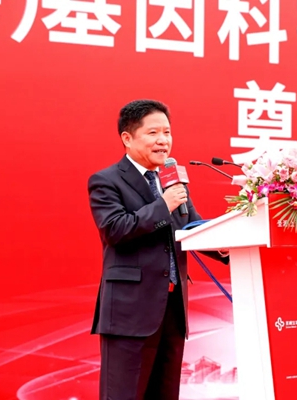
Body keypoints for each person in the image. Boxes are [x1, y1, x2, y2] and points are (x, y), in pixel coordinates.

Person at [87, 99, 228, 400]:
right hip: (130, 313)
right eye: (153, 133)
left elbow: (192, 227)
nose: (163, 140)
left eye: (167, 132)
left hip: (172, 312)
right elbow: (116, 230)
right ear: (128, 138)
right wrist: (164, 205)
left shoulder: (171, 181)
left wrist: (226, 246)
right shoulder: (106, 181)